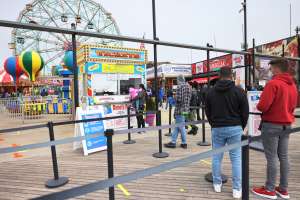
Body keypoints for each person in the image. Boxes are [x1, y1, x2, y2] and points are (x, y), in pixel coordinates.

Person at [252, 59, 298, 200]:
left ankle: (270, 189)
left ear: (277, 69)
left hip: (272, 125)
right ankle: (283, 189)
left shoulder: (273, 84)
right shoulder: (292, 85)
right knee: (283, 156)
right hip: (287, 125)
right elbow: (294, 105)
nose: (270, 71)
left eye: (271, 69)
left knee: (271, 157)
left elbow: (262, 106)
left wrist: (260, 104)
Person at [205, 67, 249, 199]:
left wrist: (214, 124)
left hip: (217, 128)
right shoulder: (239, 91)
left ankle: (217, 184)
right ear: (232, 75)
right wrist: (240, 125)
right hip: (235, 128)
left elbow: (208, 111)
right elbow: (245, 112)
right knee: (236, 158)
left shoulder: (211, 92)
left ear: (219, 75)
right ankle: (237, 189)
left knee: (216, 157)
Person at [164, 75, 192, 149]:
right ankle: (173, 142)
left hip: (180, 110)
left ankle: (184, 143)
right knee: (178, 126)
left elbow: (179, 99)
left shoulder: (180, 87)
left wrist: (173, 98)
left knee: (181, 127)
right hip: (186, 109)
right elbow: (189, 98)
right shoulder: (189, 86)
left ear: (179, 80)